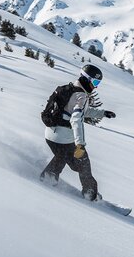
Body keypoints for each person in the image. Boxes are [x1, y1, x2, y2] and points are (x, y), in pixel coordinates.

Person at [39, 64, 116, 200]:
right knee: (83, 163)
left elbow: (80, 112)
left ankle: (49, 176)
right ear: (87, 79)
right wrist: (80, 144)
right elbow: (76, 119)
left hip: (50, 134)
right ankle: (90, 193)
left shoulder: (70, 90)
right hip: (63, 137)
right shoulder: (81, 96)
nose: (96, 86)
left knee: (62, 156)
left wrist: (103, 113)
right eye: (95, 82)